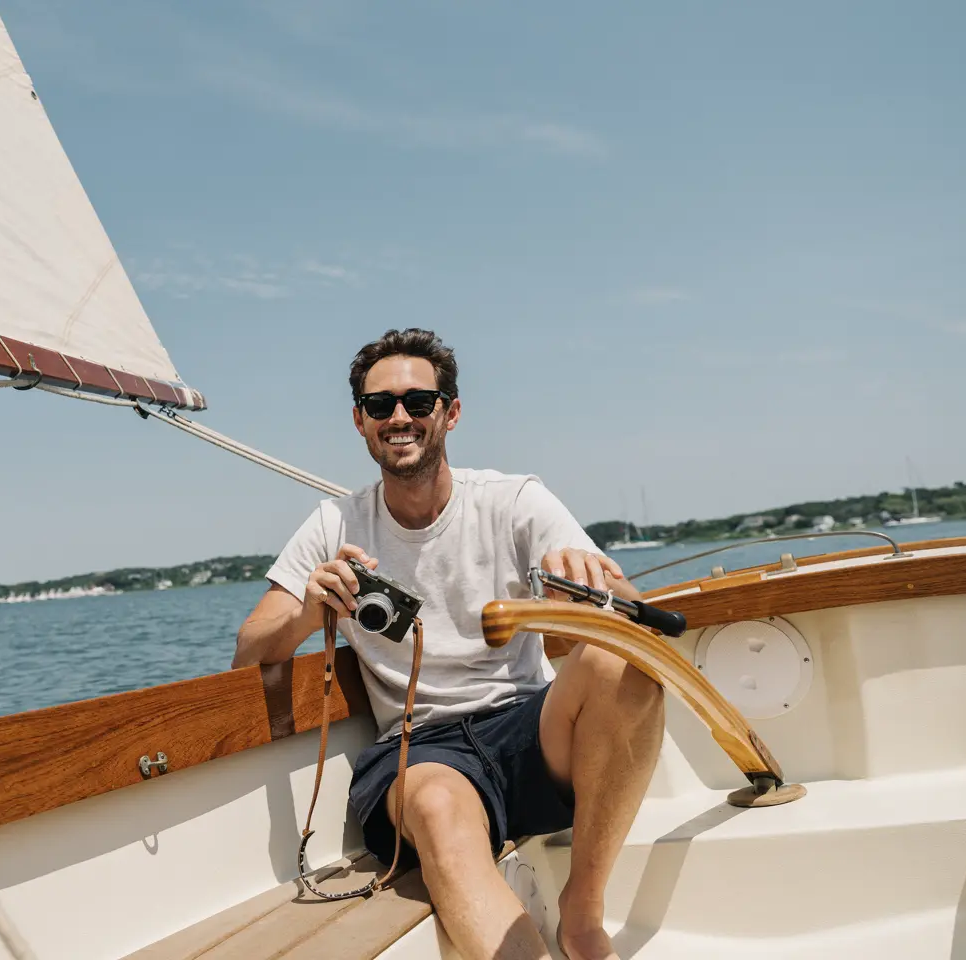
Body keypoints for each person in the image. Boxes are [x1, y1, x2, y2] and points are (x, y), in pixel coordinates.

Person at [233, 329, 664, 960]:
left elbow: (627, 612)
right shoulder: (333, 524)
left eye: (418, 401)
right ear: (359, 421)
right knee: (435, 806)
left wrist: (586, 588)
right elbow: (248, 653)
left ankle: (583, 907)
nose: (399, 417)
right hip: (418, 750)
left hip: (526, 729)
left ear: (450, 412)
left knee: (623, 662)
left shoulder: (513, 501)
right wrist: (309, 609)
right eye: (380, 406)